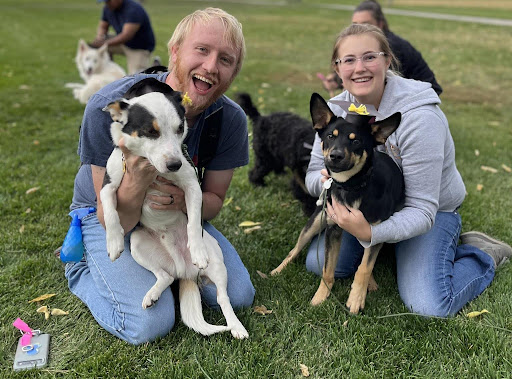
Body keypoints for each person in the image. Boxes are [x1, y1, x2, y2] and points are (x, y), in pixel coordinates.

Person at [64, 7, 255, 345]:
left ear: (233, 72)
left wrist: (182, 200)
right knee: (149, 323)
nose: (211, 66)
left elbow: (212, 201)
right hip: (108, 215)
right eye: (202, 50)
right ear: (174, 50)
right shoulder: (110, 108)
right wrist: (137, 179)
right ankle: (81, 269)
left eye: (225, 59)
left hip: (173, 216)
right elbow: (114, 221)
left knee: (238, 295)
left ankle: (173, 277)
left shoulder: (230, 119)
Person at [305, 23, 512, 317]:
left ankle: (483, 253)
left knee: (428, 305)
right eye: (348, 60)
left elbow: (423, 209)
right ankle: (392, 248)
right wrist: (326, 181)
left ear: (387, 60)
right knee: (318, 264)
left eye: (370, 57)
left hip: (427, 211)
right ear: (337, 69)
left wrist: (370, 233)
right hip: (369, 206)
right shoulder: (336, 113)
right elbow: (314, 171)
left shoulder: (420, 118)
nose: (359, 68)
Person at [318, 0, 442, 97]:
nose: (360, 29)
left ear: (380, 24)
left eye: (366, 24)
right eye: (355, 25)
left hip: (421, 95)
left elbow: (375, 79)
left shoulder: (389, 46)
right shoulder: (365, 44)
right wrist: (335, 79)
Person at [91, 0, 157, 74]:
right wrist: (100, 37)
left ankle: (156, 69)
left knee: (136, 80)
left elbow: (126, 36)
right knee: (100, 46)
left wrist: (104, 43)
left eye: (109, 1)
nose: (107, 4)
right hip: (123, 43)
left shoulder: (133, 10)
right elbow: (103, 27)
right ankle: (108, 72)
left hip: (139, 48)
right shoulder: (108, 8)